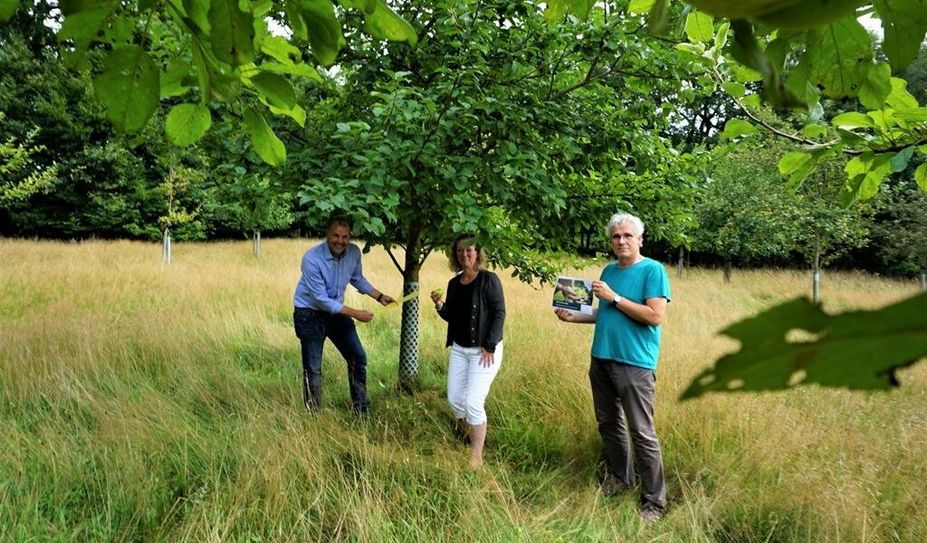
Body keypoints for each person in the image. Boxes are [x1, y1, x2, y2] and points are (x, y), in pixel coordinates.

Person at [554, 212, 671, 523]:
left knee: (642, 431)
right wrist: (574, 316)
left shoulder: (653, 270)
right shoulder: (608, 270)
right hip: (602, 358)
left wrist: (614, 296)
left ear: (639, 239)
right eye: (616, 236)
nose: (621, 241)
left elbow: (654, 316)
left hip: (634, 363)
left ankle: (654, 502)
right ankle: (621, 480)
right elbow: (605, 314)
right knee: (608, 425)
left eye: (627, 236)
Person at [293, 215, 395, 414]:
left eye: (345, 237)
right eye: (336, 236)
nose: (340, 241)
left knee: (358, 357)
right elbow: (322, 300)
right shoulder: (311, 259)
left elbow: (357, 278)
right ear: (327, 235)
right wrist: (356, 313)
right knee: (313, 368)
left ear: (350, 237)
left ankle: (361, 409)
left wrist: (379, 296)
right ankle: (313, 415)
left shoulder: (354, 253)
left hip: (336, 312)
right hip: (309, 313)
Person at [430, 234, 506, 469]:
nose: (465, 255)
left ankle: (476, 455)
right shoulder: (454, 283)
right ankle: (469, 436)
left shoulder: (489, 280)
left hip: (485, 351)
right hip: (461, 350)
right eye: (460, 251)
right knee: (455, 401)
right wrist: (440, 306)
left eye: (470, 250)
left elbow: (499, 313)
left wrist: (490, 345)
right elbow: (452, 317)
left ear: (478, 253)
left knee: (473, 402)